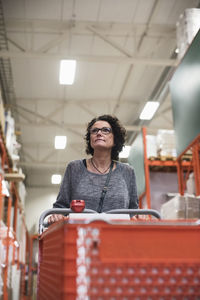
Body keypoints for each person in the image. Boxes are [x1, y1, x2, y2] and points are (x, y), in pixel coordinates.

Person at [48, 114, 138, 223]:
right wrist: (56, 214)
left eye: (105, 130)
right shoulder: (75, 168)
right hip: (81, 235)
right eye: (94, 131)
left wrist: (139, 217)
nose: (99, 133)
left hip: (118, 235)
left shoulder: (127, 172)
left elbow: (133, 211)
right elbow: (61, 206)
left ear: (115, 139)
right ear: (90, 139)